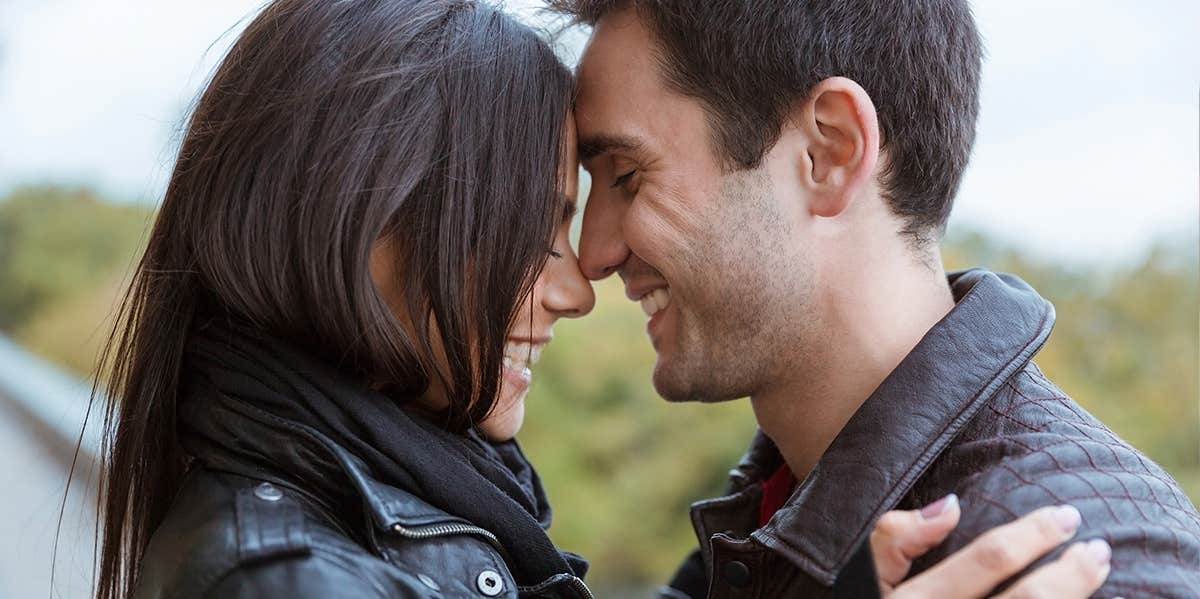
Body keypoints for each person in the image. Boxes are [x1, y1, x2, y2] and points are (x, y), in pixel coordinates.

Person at [89, 1, 1112, 598]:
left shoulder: (415, 512)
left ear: (832, 152)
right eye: (534, 228)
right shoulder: (286, 578)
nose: (580, 276)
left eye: (622, 178)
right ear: (361, 226)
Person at [555, 0, 1200, 597]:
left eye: (628, 176)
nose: (593, 255)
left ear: (828, 152)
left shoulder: (1078, 560)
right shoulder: (780, 499)